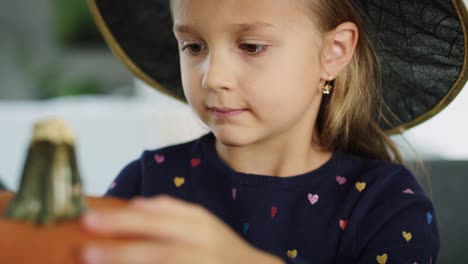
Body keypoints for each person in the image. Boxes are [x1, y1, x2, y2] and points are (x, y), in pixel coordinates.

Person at [82, 0, 467, 263]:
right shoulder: (146, 183)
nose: (213, 77)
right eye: (194, 46)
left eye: (251, 46)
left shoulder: (386, 209)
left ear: (333, 52)